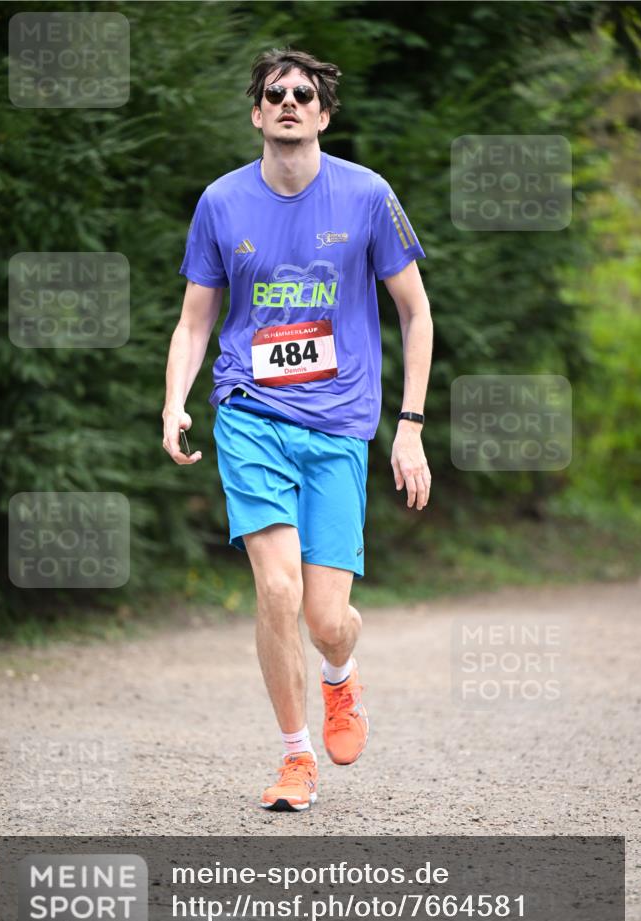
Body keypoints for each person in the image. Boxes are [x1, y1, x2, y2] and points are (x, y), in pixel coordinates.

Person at [163, 47, 433, 811]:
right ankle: (294, 756)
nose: (287, 101)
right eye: (273, 93)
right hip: (249, 415)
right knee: (276, 591)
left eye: (302, 93)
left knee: (326, 621)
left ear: (321, 112)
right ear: (256, 112)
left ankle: (340, 681)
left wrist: (407, 427)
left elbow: (414, 312)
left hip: (341, 426)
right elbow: (194, 323)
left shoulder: (367, 196)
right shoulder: (220, 202)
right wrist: (174, 398)